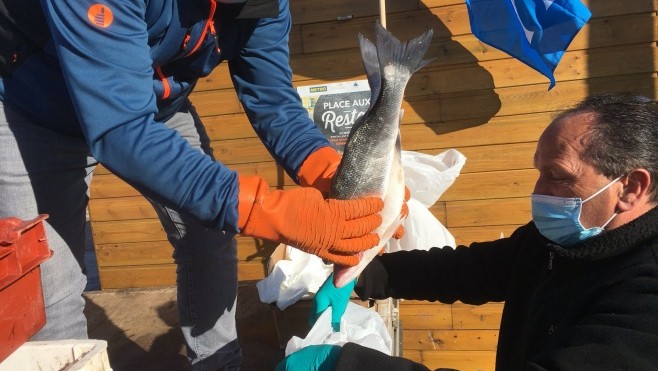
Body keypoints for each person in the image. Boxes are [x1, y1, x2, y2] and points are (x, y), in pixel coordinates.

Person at [0, 1, 389, 370]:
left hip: (152, 110)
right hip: (32, 109)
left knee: (210, 230)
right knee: (47, 288)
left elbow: (275, 102)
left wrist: (336, 173)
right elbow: (120, 130)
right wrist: (262, 208)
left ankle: (218, 364)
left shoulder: (262, 4)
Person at [277, 92, 658, 371]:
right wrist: (362, 275)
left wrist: (352, 366)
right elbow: (470, 270)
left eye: (558, 176)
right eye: (539, 173)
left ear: (631, 188)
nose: (538, 193)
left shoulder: (646, 293)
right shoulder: (558, 242)